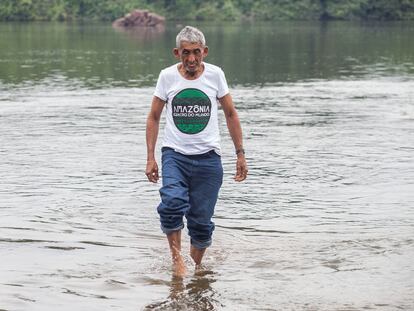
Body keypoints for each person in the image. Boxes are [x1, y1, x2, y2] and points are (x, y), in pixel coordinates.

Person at [145, 25, 248, 277]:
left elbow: (231, 114)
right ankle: (178, 262)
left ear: (205, 51)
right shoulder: (167, 77)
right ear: (176, 52)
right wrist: (151, 157)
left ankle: (194, 269)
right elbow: (154, 116)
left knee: (201, 225)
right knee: (172, 203)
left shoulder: (215, 75)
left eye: (196, 52)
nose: (191, 59)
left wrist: (240, 154)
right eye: (185, 53)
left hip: (209, 159)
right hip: (175, 155)